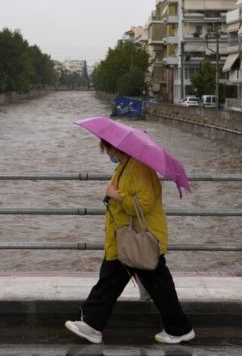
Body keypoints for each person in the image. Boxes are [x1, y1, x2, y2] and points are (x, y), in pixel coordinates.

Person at [65, 139, 194, 344]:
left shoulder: (139, 168)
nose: (107, 154)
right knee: (125, 282)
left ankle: (92, 325)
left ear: (116, 147)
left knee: (139, 284)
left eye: (106, 149)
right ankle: (92, 324)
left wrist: (117, 195)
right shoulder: (126, 165)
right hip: (129, 238)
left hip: (139, 239)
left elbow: (143, 204)